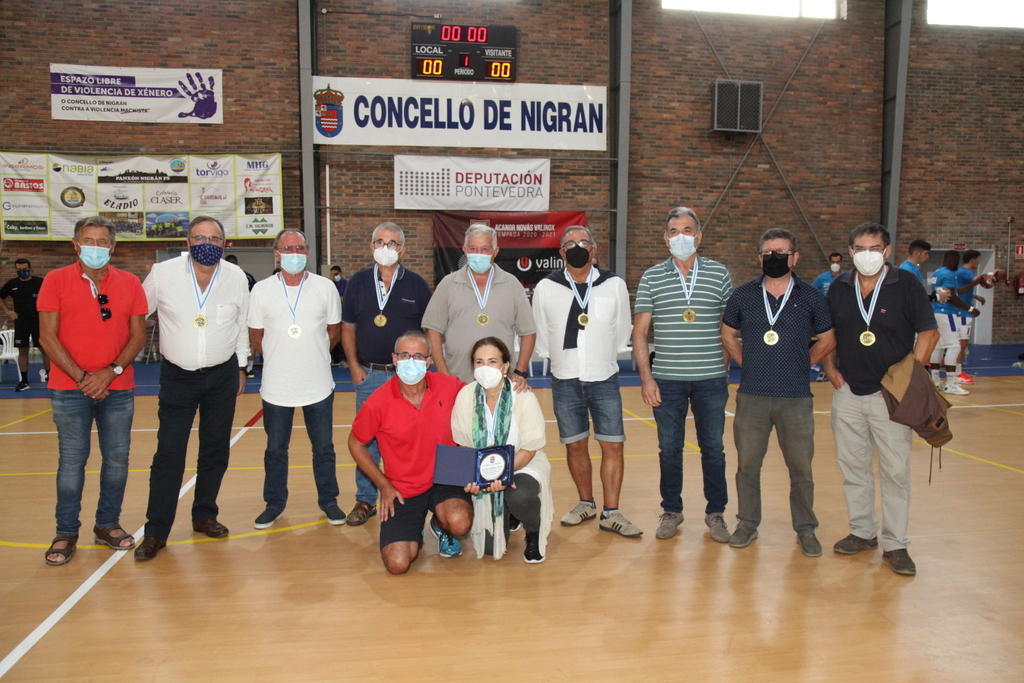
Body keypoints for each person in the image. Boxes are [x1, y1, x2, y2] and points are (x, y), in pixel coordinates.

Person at [823, 222, 939, 576]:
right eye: (860, 248)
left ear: (887, 251)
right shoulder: (839, 287)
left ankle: (896, 543)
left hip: (890, 397)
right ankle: (862, 531)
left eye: (874, 248)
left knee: (895, 471)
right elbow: (828, 333)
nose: (867, 254)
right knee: (853, 468)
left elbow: (929, 333)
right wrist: (829, 367)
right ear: (851, 252)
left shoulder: (906, 284)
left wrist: (907, 379)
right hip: (848, 393)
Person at [134, 216, 250, 561]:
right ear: (188, 242)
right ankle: (156, 531)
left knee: (215, 449)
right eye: (200, 238)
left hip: (222, 374)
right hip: (178, 376)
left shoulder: (236, 277)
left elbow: (242, 323)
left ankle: (204, 514)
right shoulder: (163, 273)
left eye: (214, 239)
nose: (207, 244)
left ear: (225, 244)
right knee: (169, 453)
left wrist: (242, 365)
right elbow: (137, 313)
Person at [37, 216, 148, 565]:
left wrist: (110, 373)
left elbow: (138, 336)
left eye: (102, 242)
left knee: (117, 460)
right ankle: (66, 531)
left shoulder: (130, 283)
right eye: (88, 240)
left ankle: (107, 524)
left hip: (119, 388)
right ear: (75, 244)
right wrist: (84, 378)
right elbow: (47, 337)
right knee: (71, 462)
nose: (95, 247)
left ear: (112, 247)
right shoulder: (55, 280)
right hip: (69, 389)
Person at [720, 229, 836, 556]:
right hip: (752, 396)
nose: (774, 257)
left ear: (794, 257)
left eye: (781, 252)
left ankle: (806, 529)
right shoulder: (743, 295)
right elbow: (727, 334)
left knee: (801, 470)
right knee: (747, 466)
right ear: (759, 258)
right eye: (768, 252)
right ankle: (747, 523)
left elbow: (828, 340)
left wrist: (803, 364)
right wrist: (746, 362)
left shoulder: (811, 297)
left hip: (795, 398)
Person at [633, 207, 734, 542]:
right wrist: (647, 378)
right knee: (669, 449)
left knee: (713, 448)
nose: (681, 237)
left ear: (699, 236)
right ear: (666, 239)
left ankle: (716, 512)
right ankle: (672, 510)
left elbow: (729, 327)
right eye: (674, 231)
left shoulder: (719, 274)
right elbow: (640, 332)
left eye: (687, 230)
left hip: (711, 380)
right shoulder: (651, 277)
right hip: (667, 380)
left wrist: (723, 367)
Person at [532, 226, 640, 537]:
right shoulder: (546, 287)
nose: (577, 247)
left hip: (604, 376)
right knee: (575, 444)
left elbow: (622, 330)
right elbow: (542, 332)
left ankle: (611, 512)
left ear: (594, 249)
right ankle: (586, 503)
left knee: (613, 444)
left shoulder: (614, 284)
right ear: (561, 253)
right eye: (570, 244)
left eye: (583, 242)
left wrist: (602, 356)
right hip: (564, 378)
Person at [348, 331, 471, 574]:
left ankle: (441, 524)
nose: (411, 361)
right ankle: (414, 528)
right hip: (403, 486)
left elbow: (483, 396)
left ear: (428, 361)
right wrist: (383, 485)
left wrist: (516, 382)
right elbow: (355, 444)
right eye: (404, 355)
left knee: (459, 522)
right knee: (398, 564)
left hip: (446, 474)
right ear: (394, 359)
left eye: (418, 356)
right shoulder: (377, 402)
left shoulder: (449, 386)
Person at [248, 229, 345, 529]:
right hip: (277, 386)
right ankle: (274, 503)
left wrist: (312, 354)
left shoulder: (325, 287)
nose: (294, 254)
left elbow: (334, 331)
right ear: (276, 254)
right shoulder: (261, 290)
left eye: (300, 248)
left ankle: (329, 501)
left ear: (308, 252)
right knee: (276, 450)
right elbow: (255, 336)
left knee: (324, 448)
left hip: (318, 384)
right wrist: (282, 357)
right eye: (288, 249)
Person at [341, 222, 432, 526]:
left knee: (409, 437)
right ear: (371, 247)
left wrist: (422, 370)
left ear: (402, 250)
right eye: (379, 241)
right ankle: (365, 498)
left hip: (408, 377)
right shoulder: (358, 282)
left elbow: (428, 332)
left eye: (392, 243)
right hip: (369, 374)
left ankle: (413, 493)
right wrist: (354, 367)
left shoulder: (417, 285)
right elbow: (348, 328)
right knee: (366, 440)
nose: (385, 248)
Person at [452, 337, 552, 562]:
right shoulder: (466, 395)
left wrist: (501, 473)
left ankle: (533, 530)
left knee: (519, 494)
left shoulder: (522, 395)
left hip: (523, 463)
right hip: (483, 471)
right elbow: (463, 445)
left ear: (505, 366)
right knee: (490, 549)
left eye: (492, 361)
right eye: (479, 362)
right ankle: (509, 512)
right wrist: (475, 476)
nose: (485, 367)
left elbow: (529, 449)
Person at [422, 223, 536, 387]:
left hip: (501, 381)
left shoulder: (512, 284)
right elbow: (432, 330)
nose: (478, 254)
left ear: (495, 251)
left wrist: (519, 372)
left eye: (485, 249)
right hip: (457, 380)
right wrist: (443, 373)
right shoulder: (448, 284)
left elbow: (528, 332)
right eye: (473, 249)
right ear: (465, 250)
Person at [929, 250, 979, 396]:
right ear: (954, 260)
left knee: (938, 347)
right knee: (954, 346)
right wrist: (970, 308)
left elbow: (953, 292)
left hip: (935, 311)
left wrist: (972, 286)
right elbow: (951, 296)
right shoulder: (948, 274)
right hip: (946, 313)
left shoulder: (937, 272)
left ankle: (936, 381)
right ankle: (951, 384)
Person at [0, 257, 51, 390]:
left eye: (25, 269)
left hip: (38, 321)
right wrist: (8, 311)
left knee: (44, 349)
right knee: (22, 350)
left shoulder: (39, 282)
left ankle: (51, 378)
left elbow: (53, 296)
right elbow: (1, 297)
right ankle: (24, 381)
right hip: (21, 321)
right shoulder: (12, 284)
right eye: (19, 270)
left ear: (30, 269)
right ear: (16, 270)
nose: (22, 272)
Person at [953, 250, 986, 385]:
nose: (979, 262)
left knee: (960, 343)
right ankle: (957, 373)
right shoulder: (965, 272)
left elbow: (959, 290)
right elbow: (977, 280)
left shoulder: (959, 273)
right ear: (973, 260)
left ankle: (957, 371)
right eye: (978, 259)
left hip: (960, 311)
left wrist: (974, 296)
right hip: (963, 312)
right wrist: (991, 274)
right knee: (962, 343)